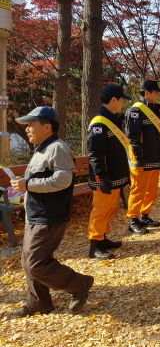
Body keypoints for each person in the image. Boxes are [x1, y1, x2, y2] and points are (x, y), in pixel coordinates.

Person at [10, 107, 94, 318]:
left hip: (49, 215)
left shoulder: (57, 148)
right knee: (28, 261)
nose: (27, 129)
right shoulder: (41, 148)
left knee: (35, 263)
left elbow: (62, 180)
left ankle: (79, 283)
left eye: (31, 124)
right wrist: (22, 187)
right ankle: (40, 302)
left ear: (47, 127)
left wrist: (28, 184)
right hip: (36, 214)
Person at [87, 85, 132, 260]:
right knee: (100, 210)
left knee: (109, 209)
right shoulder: (99, 123)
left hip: (114, 175)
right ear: (114, 100)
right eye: (122, 100)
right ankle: (94, 244)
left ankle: (102, 238)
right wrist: (102, 176)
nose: (123, 103)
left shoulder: (113, 120)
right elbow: (95, 153)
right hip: (104, 177)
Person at [125, 80, 160, 234]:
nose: (158, 95)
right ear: (146, 92)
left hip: (154, 157)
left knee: (151, 190)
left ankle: (145, 215)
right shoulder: (135, 111)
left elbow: (158, 135)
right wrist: (138, 156)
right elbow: (133, 137)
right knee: (138, 189)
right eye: (156, 92)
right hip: (141, 159)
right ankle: (133, 219)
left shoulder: (155, 110)